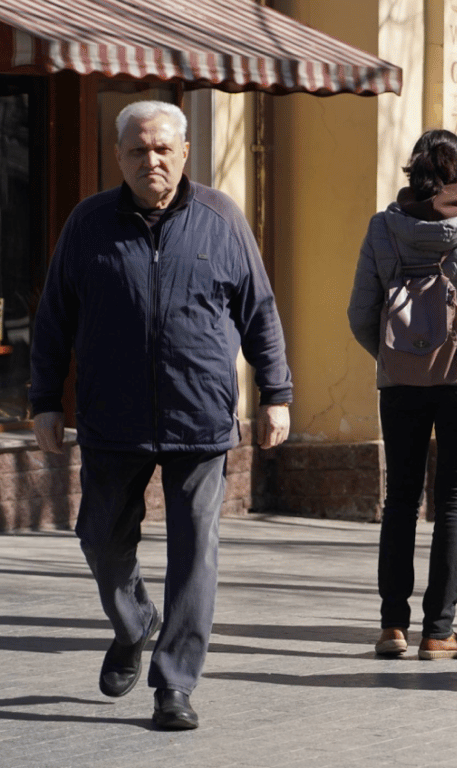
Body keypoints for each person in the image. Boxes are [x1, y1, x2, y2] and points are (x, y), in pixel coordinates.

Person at [29, 100, 292, 730]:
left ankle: (175, 683)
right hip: (110, 419)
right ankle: (133, 622)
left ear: (183, 153)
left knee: (195, 553)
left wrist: (277, 392)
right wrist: (42, 401)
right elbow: (53, 317)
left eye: (163, 149)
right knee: (98, 537)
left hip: (199, 418)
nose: (152, 160)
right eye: (138, 150)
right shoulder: (88, 224)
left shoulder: (221, 219)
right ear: (118, 155)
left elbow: (260, 310)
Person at [348, 129, 457, 662]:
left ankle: (392, 627)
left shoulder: (383, 227)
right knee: (454, 506)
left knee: (398, 501)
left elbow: (360, 313)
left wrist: (395, 358)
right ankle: (438, 631)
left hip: (401, 382)